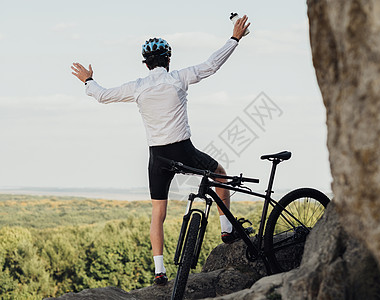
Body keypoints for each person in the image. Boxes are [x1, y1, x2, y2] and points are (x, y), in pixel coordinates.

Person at [71, 16, 251, 286]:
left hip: (158, 158)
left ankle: (159, 270)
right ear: (168, 60)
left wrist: (88, 80)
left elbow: (102, 95)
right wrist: (234, 38)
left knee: (158, 213)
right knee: (220, 175)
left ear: (145, 63)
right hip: (184, 151)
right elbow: (212, 65)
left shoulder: (138, 87)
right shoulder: (178, 78)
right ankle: (226, 231)